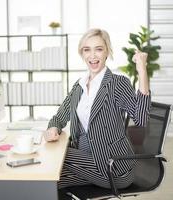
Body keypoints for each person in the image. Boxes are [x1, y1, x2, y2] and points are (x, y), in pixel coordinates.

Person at [44, 28, 151, 189]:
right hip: (86, 161)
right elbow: (59, 117)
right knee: (49, 180)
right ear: (82, 54)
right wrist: (53, 128)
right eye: (87, 50)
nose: (92, 55)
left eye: (98, 49)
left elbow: (141, 118)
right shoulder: (79, 86)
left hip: (113, 166)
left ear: (107, 52)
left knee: (56, 158)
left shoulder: (117, 83)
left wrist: (142, 70)